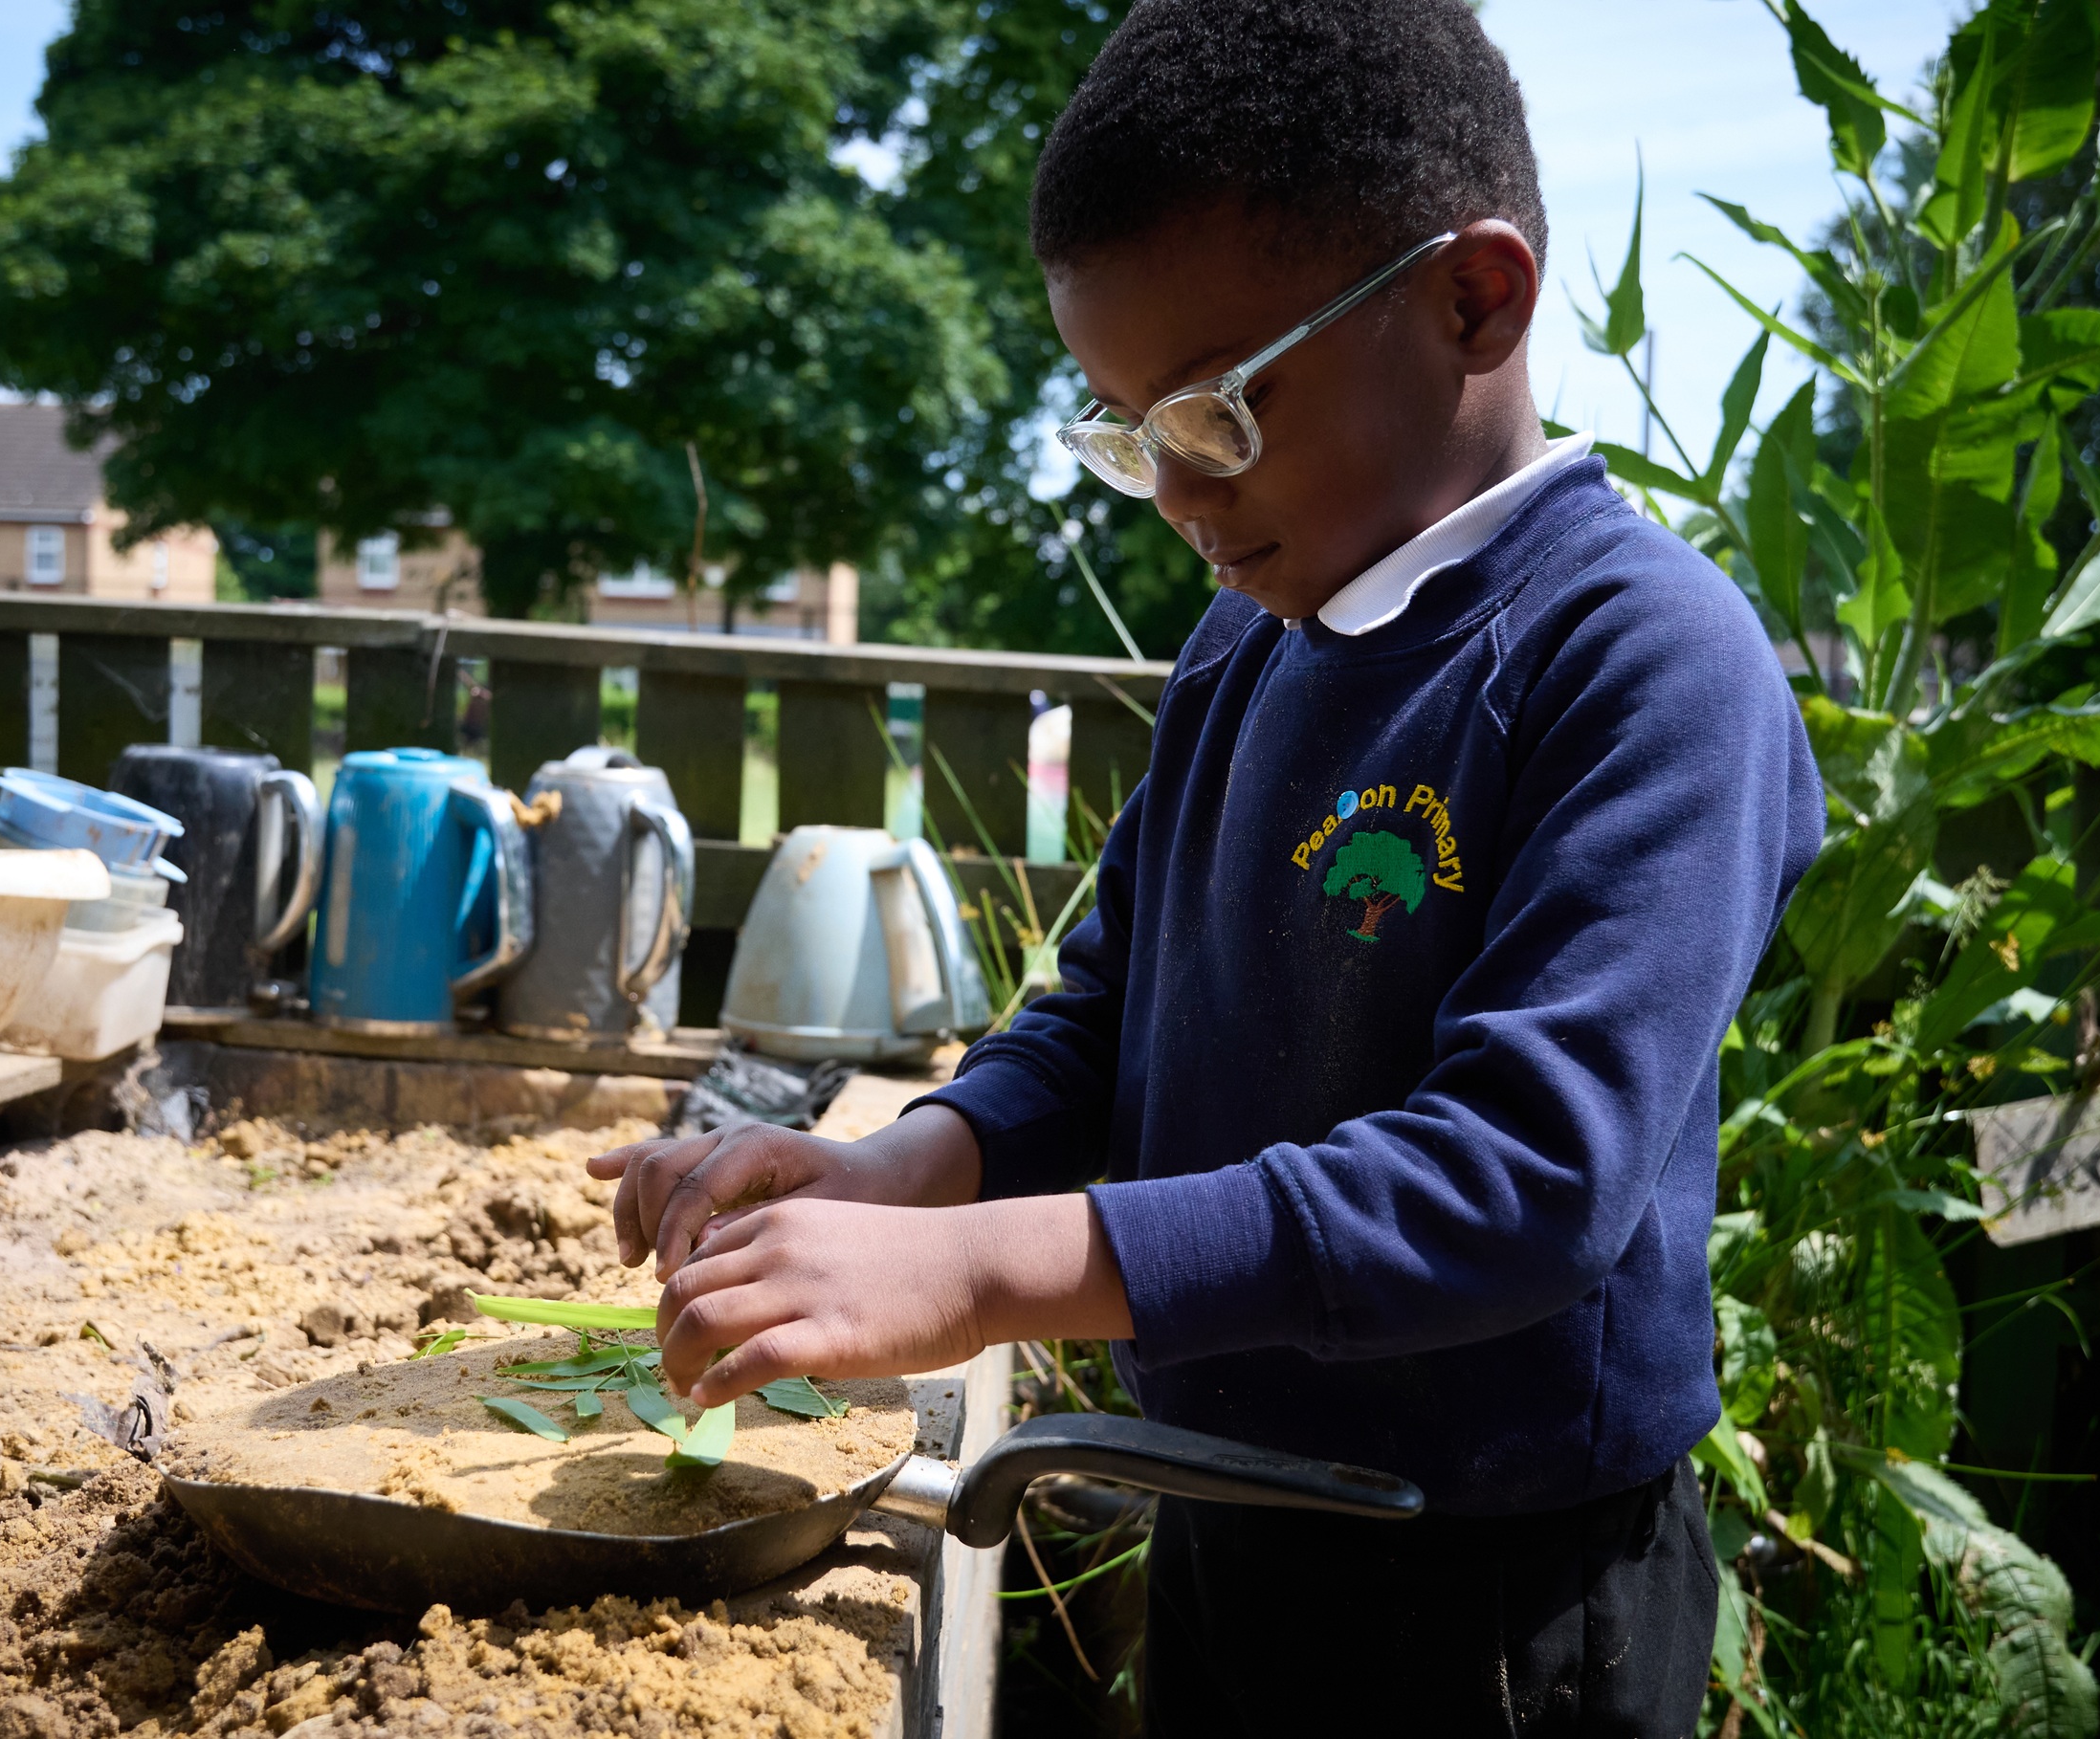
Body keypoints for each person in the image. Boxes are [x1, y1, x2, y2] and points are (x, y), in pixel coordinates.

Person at [587, 1, 1823, 1729]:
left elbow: (1524, 1175)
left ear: (1475, 300)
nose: (1172, 491)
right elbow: (1105, 1014)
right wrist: (907, 1172)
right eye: (1127, 427)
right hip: (1233, 1519)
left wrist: (978, 1272)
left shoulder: (1646, 662)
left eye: (1219, 411)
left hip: (1499, 1600)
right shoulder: (1252, 639)